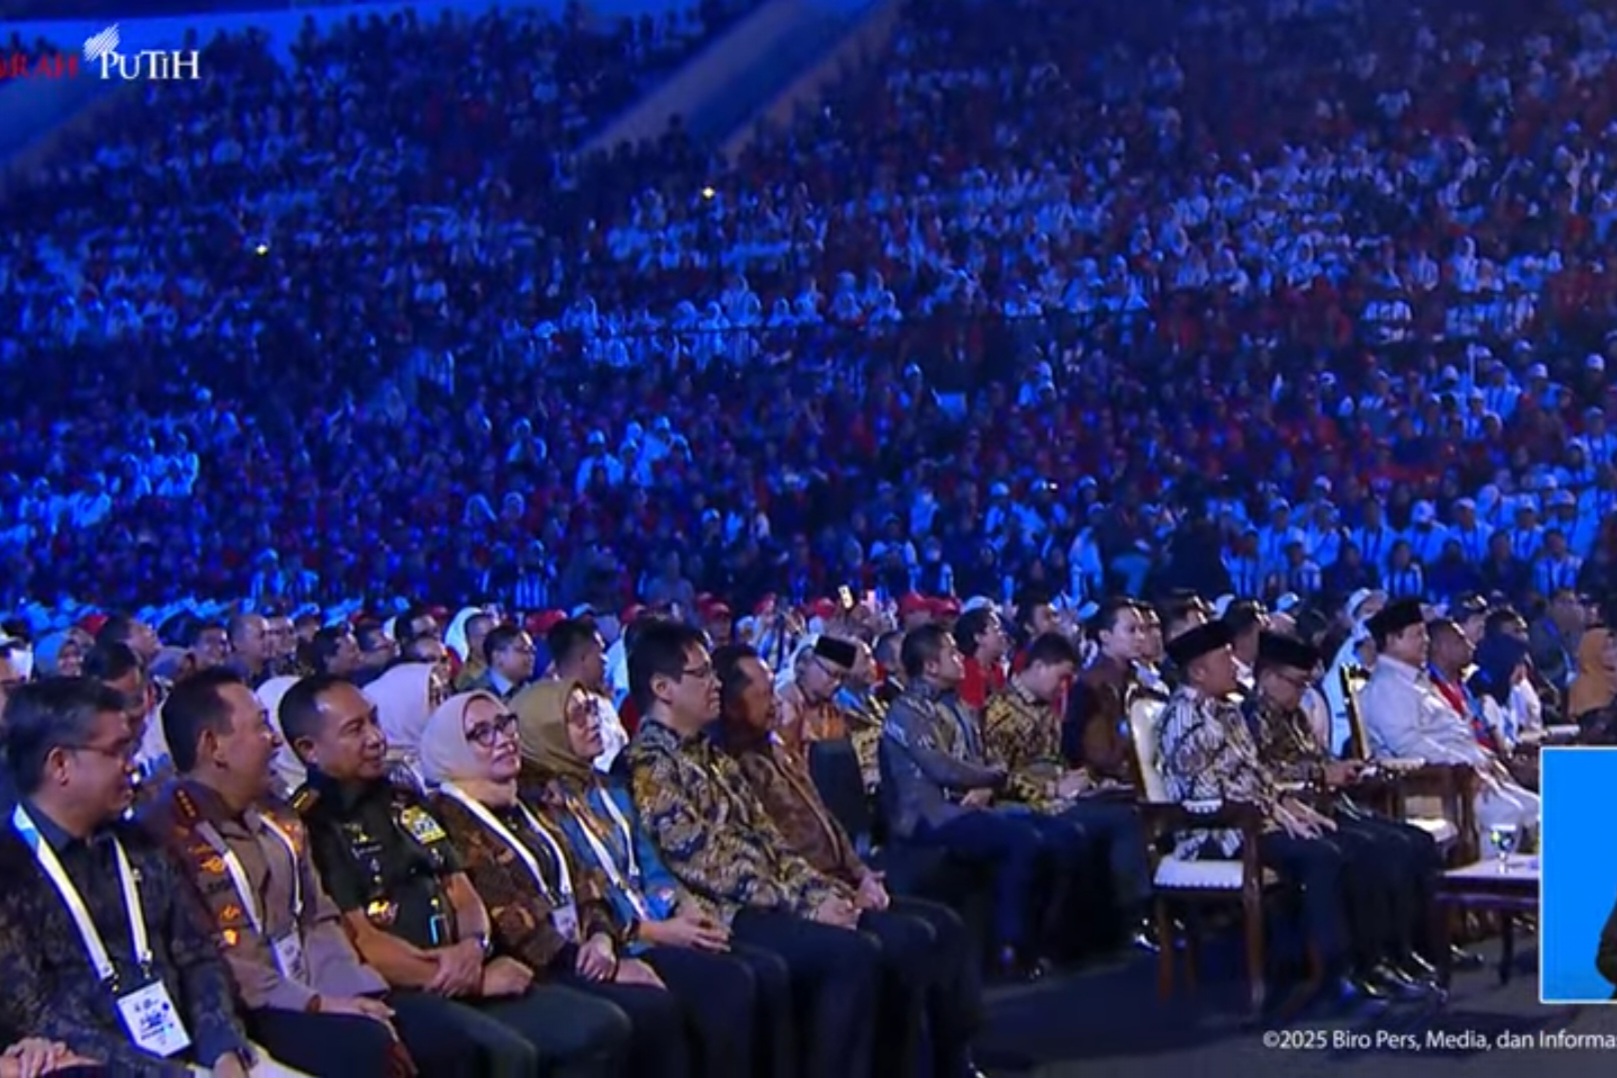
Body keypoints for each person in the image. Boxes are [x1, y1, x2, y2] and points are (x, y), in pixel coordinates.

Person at [277, 674, 630, 1078]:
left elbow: (460, 890)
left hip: (464, 962)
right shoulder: (311, 826)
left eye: (374, 720)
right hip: (401, 986)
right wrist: (473, 979)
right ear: (309, 750)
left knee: (603, 1026)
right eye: (355, 730)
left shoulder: (403, 798)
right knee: (505, 1055)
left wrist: (474, 946)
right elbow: (359, 941)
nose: (376, 737)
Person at [625, 622, 882, 1078]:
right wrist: (804, 903)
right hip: (724, 912)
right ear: (662, 688)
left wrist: (822, 891)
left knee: (874, 936)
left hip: (768, 898)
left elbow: (771, 841)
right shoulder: (650, 764)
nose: (716, 684)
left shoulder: (711, 756)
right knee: (850, 955)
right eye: (702, 674)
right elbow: (707, 863)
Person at [714, 643, 983, 1078]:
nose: (776, 702)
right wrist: (834, 891)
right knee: (905, 939)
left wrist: (861, 874)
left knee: (946, 925)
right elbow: (768, 852)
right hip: (803, 892)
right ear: (730, 703)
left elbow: (828, 822)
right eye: (765, 694)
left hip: (842, 878)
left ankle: (955, 1058)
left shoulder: (776, 750)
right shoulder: (730, 767)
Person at [0, 677, 291, 1076]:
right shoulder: (10, 869)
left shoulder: (141, 843)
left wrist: (223, 1051)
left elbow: (198, 957)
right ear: (60, 765)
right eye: (117, 751)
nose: (132, 764)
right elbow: (33, 1013)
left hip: (205, 1056)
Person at [142, 669, 423, 1077]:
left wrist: (353, 992)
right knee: (366, 1049)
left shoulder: (277, 811)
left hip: (317, 984)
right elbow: (215, 960)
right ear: (212, 745)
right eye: (260, 725)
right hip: (252, 1005)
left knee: (411, 1029)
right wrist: (318, 1004)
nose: (274, 740)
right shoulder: (165, 835)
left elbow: (318, 916)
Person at [514, 678, 794, 1078]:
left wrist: (686, 906)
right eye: (576, 717)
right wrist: (654, 931)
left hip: (660, 919)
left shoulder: (609, 787)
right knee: (730, 985)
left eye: (591, 709)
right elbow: (586, 892)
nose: (593, 722)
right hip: (621, 938)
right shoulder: (541, 810)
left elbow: (651, 864)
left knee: (767, 971)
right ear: (546, 732)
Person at [416, 690, 698, 1078]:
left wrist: (601, 938)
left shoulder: (524, 803)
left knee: (661, 1002)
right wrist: (585, 961)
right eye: (481, 733)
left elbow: (585, 880)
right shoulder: (450, 818)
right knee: (636, 1014)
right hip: (538, 964)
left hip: (582, 950)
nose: (502, 738)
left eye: (504, 724)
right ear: (452, 749)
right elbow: (507, 914)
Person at [1153, 622, 1373, 1008]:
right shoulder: (1183, 718)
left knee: (1344, 841)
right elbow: (1205, 793)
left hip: (1256, 819)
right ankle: (1330, 975)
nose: (1237, 667)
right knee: (1322, 856)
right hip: (1217, 831)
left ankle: (1340, 961)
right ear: (1198, 672)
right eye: (1225, 659)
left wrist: (1286, 805)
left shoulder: (1227, 712)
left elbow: (1258, 775)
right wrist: (1270, 809)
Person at [882, 623, 1087, 977]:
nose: (961, 658)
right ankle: (1011, 946)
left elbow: (978, 761)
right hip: (929, 818)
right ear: (931, 666)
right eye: (951, 654)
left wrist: (987, 781)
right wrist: (992, 777)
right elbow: (942, 769)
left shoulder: (960, 706)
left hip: (971, 807)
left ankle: (1049, 939)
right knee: (1023, 841)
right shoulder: (907, 712)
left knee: (1066, 834)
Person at [1243, 632, 1440, 994]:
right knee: (1374, 849)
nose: (1302, 692)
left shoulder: (1292, 714)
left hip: (1327, 803)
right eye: (1296, 683)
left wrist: (1342, 768)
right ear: (1268, 677)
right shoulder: (1251, 718)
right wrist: (1320, 774)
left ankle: (1408, 948)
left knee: (1413, 840)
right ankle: (1368, 960)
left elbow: (1315, 760)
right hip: (1293, 813)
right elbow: (1261, 775)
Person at [1356, 599, 1539, 839]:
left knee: (1537, 808)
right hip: (1432, 785)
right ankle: (1489, 876)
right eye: (1418, 635)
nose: (1426, 641)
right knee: (1507, 815)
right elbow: (1408, 745)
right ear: (1392, 640)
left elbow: (1454, 731)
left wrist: (1483, 758)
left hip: (1469, 772)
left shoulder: (1415, 682)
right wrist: (1465, 765)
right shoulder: (1386, 687)